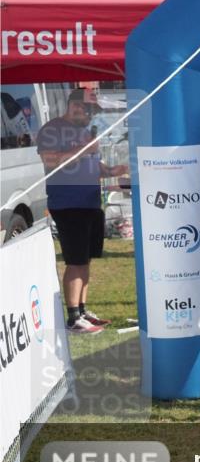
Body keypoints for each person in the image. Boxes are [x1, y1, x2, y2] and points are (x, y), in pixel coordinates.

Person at [36, 90, 127, 333]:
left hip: (90, 202)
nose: (90, 116)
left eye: (93, 112)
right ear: (74, 106)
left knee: (85, 260)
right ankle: (73, 317)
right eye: (88, 110)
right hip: (68, 203)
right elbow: (51, 161)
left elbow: (92, 163)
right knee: (75, 260)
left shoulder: (85, 132)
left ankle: (83, 309)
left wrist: (111, 171)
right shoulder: (52, 129)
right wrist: (83, 150)